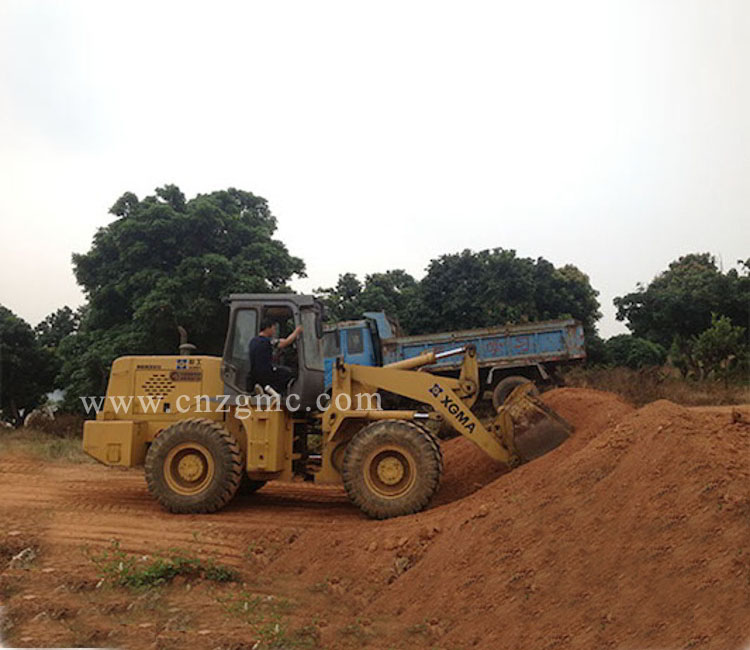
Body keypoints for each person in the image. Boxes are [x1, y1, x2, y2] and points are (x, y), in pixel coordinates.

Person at [248, 318, 303, 394]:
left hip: (254, 375)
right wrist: (297, 331)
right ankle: (273, 391)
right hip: (267, 373)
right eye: (273, 328)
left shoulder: (253, 341)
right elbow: (286, 342)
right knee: (290, 373)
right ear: (268, 328)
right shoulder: (268, 341)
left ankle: (265, 389)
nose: (274, 331)